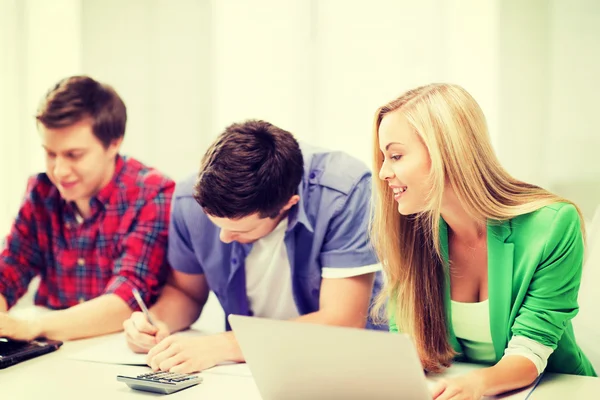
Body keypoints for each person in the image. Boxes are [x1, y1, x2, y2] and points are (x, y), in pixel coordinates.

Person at [371, 83, 596, 400]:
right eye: (384, 158)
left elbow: (530, 350)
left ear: (446, 151)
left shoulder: (553, 225)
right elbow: (407, 348)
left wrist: (477, 384)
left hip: (553, 390)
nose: (383, 172)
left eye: (395, 156)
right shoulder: (410, 233)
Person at [124, 119, 384, 373]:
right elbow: (186, 292)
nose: (224, 237)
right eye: (216, 224)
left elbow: (343, 322)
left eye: (240, 230)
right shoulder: (188, 200)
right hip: (247, 372)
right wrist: (156, 322)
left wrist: (222, 346)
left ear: (287, 205)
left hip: (338, 368)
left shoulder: (343, 192)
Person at [0, 76, 174, 341]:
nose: (59, 171)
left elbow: (126, 299)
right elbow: (10, 268)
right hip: (54, 349)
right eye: (50, 153)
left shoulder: (153, 194)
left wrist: (34, 327)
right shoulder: (41, 190)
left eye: (74, 155)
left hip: (120, 346)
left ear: (114, 143)